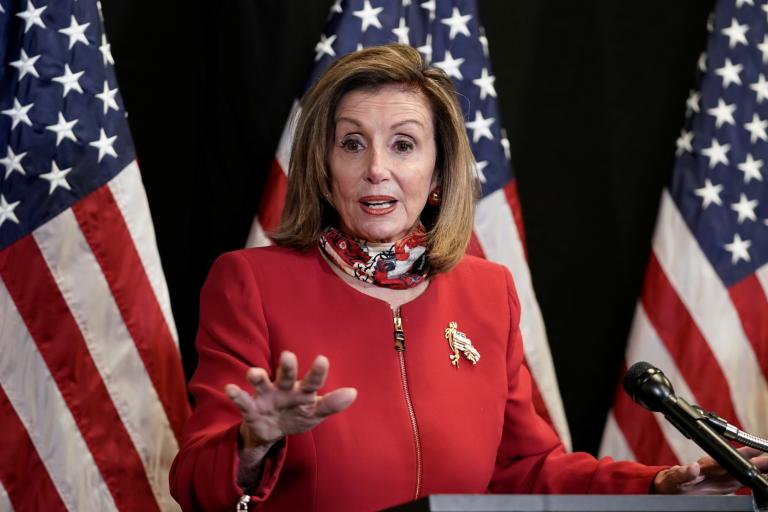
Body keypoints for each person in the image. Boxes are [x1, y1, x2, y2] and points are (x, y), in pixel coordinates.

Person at [170, 44, 767, 511]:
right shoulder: (250, 282)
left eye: (403, 145)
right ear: (324, 172)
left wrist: (659, 485)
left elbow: (527, 467)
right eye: (352, 144)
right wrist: (255, 442)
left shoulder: (488, 293)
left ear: (437, 175)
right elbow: (191, 481)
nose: (376, 168)